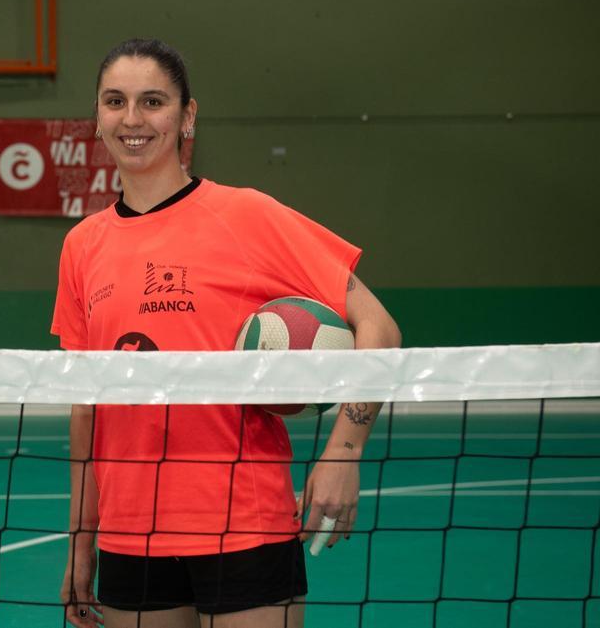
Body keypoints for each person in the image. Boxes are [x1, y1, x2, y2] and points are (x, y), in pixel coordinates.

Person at [53, 38, 401, 628]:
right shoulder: (82, 246)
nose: (132, 119)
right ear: (97, 118)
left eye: (153, 101)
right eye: (115, 101)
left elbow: (380, 327)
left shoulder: (246, 216)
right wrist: (80, 542)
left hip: (246, 525)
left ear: (187, 116)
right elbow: (89, 408)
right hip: (130, 538)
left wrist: (344, 452)